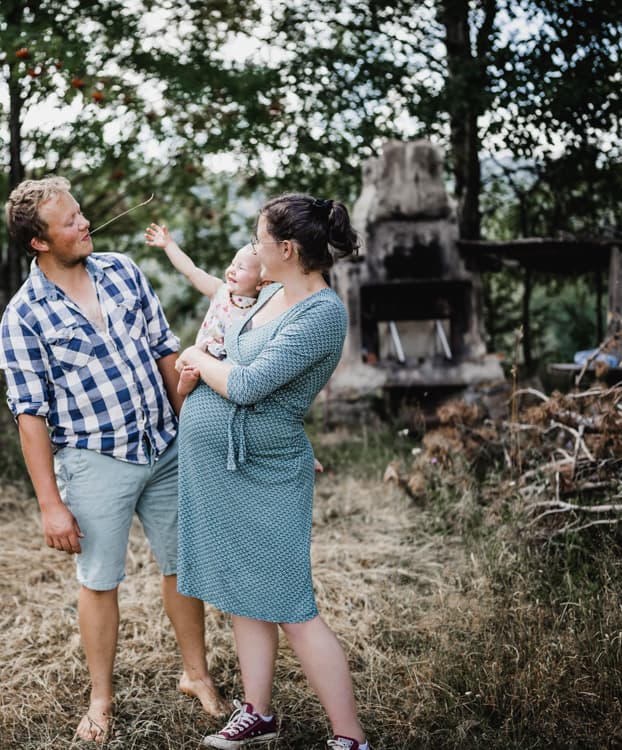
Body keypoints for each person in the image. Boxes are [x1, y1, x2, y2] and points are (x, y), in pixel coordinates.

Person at [0, 176, 228, 743]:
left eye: (81, 213)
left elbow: (165, 352)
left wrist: (189, 423)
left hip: (163, 444)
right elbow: (30, 417)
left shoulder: (123, 270)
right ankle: (101, 698)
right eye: (70, 222)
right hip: (96, 461)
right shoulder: (23, 317)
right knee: (99, 581)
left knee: (182, 565)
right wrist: (51, 506)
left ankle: (195, 674)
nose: (85, 225)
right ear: (39, 244)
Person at [174, 193, 371, 750]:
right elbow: (237, 348)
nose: (253, 248)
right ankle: (256, 713)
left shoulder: (323, 314)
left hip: (265, 469)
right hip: (221, 462)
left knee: (290, 604)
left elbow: (246, 383)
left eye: (261, 240)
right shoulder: (272, 294)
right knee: (243, 592)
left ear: (286, 248)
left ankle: (350, 737)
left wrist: (196, 358)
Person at [143, 223, 262, 359]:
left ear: (263, 282)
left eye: (241, 268)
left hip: (224, 370)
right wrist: (169, 245)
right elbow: (191, 271)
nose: (232, 270)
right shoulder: (219, 290)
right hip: (198, 362)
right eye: (233, 263)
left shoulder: (261, 309)